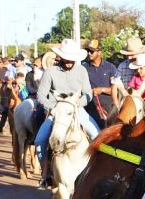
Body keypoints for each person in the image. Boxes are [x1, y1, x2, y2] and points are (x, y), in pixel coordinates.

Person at [33, 39, 99, 188]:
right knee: (40, 140)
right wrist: (54, 107)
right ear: (60, 57)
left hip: (77, 109)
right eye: (66, 58)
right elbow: (41, 95)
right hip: (56, 111)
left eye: (72, 58)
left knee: (96, 135)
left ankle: (96, 171)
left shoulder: (81, 70)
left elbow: (88, 93)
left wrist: (78, 103)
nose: (69, 61)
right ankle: (46, 173)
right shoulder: (50, 72)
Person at [82, 39, 118, 127]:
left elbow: (116, 90)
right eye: (88, 51)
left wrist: (101, 90)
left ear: (99, 52)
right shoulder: (84, 68)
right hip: (91, 107)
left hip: (108, 107)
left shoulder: (110, 67)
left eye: (92, 51)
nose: (89, 53)